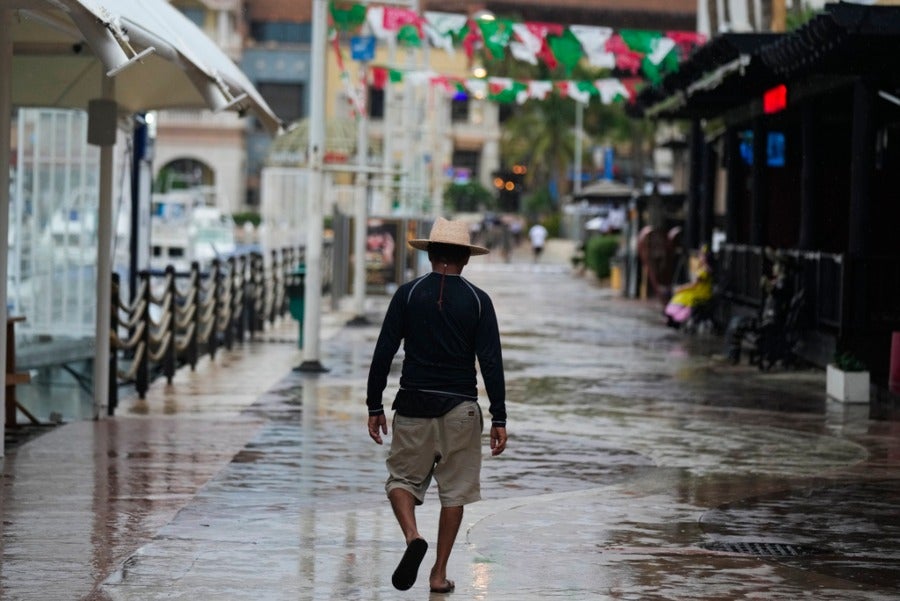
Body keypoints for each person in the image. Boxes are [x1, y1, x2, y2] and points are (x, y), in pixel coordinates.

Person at [366, 217, 508, 594]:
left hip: (412, 404)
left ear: (430, 254)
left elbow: (384, 352)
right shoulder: (479, 301)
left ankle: (413, 536)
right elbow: (490, 362)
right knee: (455, 492)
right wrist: (500, 417)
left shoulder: (408, 295)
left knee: (400, 481)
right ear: (466, 258)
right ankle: (438, 574)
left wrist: (374, 405)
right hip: (461, 409)